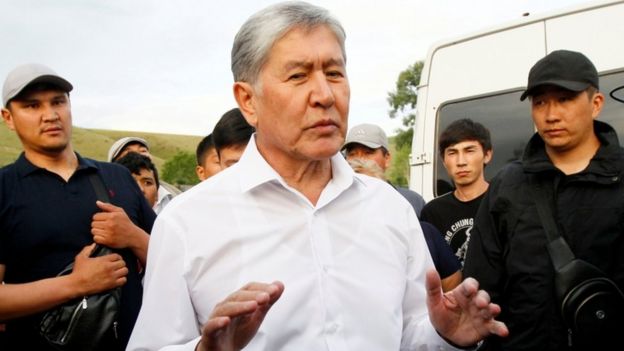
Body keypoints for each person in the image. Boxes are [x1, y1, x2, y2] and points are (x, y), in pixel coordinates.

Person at [127, 2, 508, 350]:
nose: (324, 94)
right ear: (248, 100)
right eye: (298, 76)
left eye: (334, 72)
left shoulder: (389, 208)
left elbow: (410, 332)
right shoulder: (186, 223)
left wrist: (445, 335)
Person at [463, 49, 624, 350]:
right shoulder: (508, 186)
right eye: (540, 103)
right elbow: (481, 286)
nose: (551, 115)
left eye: (565, 99)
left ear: (596, 104)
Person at [0, 63, 155, 350]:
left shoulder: (117, 176)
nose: (50, 115)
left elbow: (173, 264)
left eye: (58, 101)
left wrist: (133, 236)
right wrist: (77, 284)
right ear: (8, 118)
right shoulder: (5, 188)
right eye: (32, 106)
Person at [347, 157, 462, 291]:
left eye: (370, 191)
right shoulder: (335, 243)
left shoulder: (423, 232)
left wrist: (435, 306)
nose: (363, 198)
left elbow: (452, 277)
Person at [420, 118, 492, 266]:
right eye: (452, 153)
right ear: (443, 160)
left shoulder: (503, 201)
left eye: (469, 151)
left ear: (487, 155)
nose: (461, 162)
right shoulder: (432, 212)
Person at [343, 123, 427, 217]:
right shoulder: (337, 203)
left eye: (368, 153)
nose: (359, 159)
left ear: (387, 158)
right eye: (352, 154)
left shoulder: (412, 201)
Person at [108, 136, 181, 214]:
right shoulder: (105, 198)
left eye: (143, 151)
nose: (138, 155)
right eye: (129, 152)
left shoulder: (176, 195)